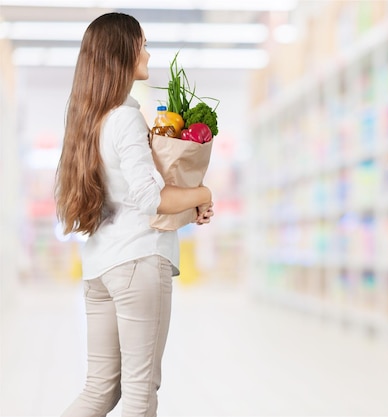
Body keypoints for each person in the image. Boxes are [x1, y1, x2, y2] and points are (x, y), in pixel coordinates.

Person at [55, 12, 214, 417]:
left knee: (99, 392)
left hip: (100, 268)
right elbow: (149, 198)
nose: (148, 52)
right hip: (139, 262)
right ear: (123, 52)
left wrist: (189, 201)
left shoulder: (91, 119)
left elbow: (129, 195)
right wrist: (203, 191)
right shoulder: (125, 117)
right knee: (141, 395)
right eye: (142, 44)